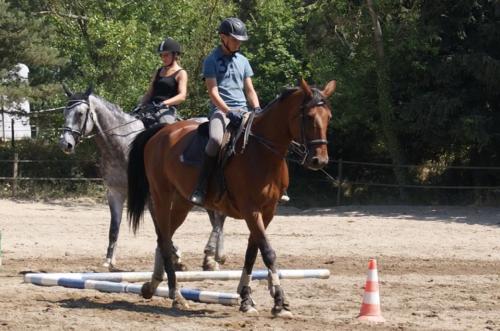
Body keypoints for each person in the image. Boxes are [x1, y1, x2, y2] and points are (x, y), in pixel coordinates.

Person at [189, 17, 261, 205]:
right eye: (235, 39)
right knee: (214, 140)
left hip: (244, 111)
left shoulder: (244, 61)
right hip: (221, 112)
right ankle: (201, 187)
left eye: (240, 40)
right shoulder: (211, 60)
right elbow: (213, 92)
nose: (238, 43)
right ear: (223, 37)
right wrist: (228, 112)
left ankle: (277, 185)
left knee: (266, 136)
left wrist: (257, 109)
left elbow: (250, 90)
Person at [138, 37, 188, 125]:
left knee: (165, 129)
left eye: (166, 55)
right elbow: (149, 93)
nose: (163, 58)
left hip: (167, 110)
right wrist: (140, 105)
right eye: (161, 55)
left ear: (174, 55)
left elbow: (182, 96)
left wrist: (164, 103)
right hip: (150, 107)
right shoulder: (158, 71)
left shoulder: (181, 73)